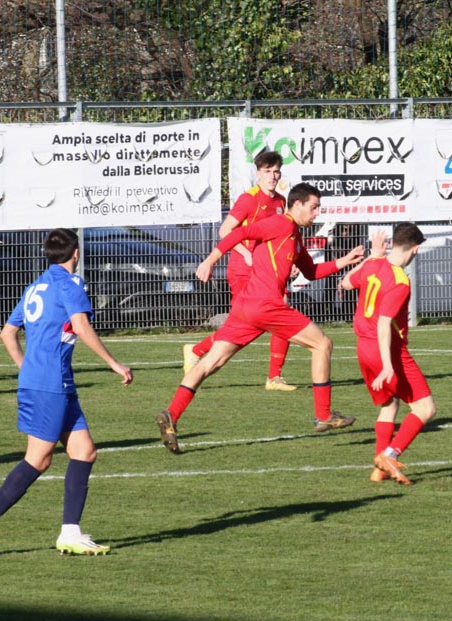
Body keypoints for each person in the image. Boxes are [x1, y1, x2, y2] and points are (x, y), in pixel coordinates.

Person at [156, 182, 364, 454]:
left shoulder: (294, 235)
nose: (317, 213)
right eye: (314, 208)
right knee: (322, 344)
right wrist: (209, 261)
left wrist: (345, 261)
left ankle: (171, 414)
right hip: (266, 305)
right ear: (297, 204)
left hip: (246, 308)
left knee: (212, 362)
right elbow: (239, 232)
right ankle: (323, 414)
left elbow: (311, 272)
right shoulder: (281, 224)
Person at [0, 228, 133, 557]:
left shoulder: (35, 287)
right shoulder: (70, 284)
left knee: (84, 451)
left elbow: (7, 333)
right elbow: (81, 326)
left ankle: (71, 532)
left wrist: (27, 367)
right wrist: (113, 363)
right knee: (38, 459)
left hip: (51, 382)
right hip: (50, 385)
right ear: (76, 253)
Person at [183, 150, 297, 392]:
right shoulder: (248, 199)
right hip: (243, 271)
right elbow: (225, 230)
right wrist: (246, 254)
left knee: (279, 311)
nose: (273, 176)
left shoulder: (280, 202)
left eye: (276, 171)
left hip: (266, 272)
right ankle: (197, 350)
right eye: (267, 171)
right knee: (244, 324)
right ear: (258, 173)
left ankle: (274, 377)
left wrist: (293, 260)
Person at [339, 223, 436, 485]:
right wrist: (388, 364)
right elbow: (384, 324)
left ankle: (378, 470)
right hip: (387, 350)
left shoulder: (373, 265)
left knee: (389, 404)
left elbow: (345, 282)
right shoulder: (400, 281)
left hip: (362, 347)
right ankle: (390, 455)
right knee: (426, 408)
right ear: (415, 249)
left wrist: (371, 257)